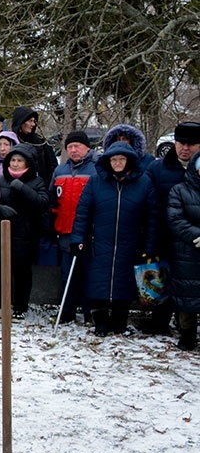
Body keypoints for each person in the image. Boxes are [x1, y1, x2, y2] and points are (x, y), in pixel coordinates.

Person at [71, 142, 158, 335]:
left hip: (130, 242)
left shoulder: (144, 183)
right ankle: (100, 321)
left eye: (121, 159)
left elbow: (152, 217)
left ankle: (120, 321)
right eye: (114, 159)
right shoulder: (96, 182)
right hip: (100, 242)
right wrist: (77, 238)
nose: (117, 163)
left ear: (129, 161)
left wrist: (150, 245)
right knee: (98, 281)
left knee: (124, 283)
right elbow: (83, 213)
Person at [147, 122, 200, 335]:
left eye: (191, 144)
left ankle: (185, 325)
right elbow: (148, 204)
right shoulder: (157, 168)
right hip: (164, 236)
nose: (185, 148)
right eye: (180, 143)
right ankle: (159, 323)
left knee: (188, 285)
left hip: (193, 242)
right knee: (161, 281)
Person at [0, 143, 48, 319]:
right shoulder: (0, 180)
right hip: (1, 234)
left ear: (27, 163)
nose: (15, 164)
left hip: (25, 235)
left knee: (22, 273)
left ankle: (20, 307)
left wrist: (22, 188)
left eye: (19, 161)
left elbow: (42, 203)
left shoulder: (36, 181)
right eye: (13, 160)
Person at [50, 131, 99, 324]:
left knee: (88, 273)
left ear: (87, 148)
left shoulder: (96, 169)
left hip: (89, 231)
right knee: (67, 274)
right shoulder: (60, 170)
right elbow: (53, 197)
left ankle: (89, 311)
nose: (73, 150)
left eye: (77, 146)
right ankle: (67, 311)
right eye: (70, 147)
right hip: (65, 230)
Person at [168, 152, 200, 350]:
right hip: (188, 251)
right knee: (187, 295)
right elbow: (175, 219)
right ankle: (187, 335)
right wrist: (196, 234)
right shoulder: (180, 190)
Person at [11, 106, 58, 184]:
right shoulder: (10, 140)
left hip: (39, 185)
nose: (33, 124)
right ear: (21, 122)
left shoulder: (40, 141)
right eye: (30, 121)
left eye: (34, 121)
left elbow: (52, 164)